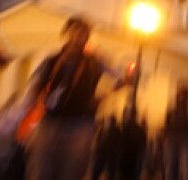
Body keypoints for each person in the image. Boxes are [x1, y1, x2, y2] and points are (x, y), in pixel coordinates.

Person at [23, 15, 129, 180]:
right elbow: (34, 86)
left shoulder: (95, 62)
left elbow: (121, 80)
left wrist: (103, 96)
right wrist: (34, 103)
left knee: (72, 173)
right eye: (76, 32)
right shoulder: (51, 60)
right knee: (40, 171)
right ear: (66, 33)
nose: (80, 36)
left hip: (81, 124)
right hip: (49, 122)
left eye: (84, 33)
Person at [163, 81, 188, 180]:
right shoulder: (178, 107)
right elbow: (167, 122)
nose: (181, 96)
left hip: (182, 136)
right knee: (178, 165)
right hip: (177, 137)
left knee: (180, 165)